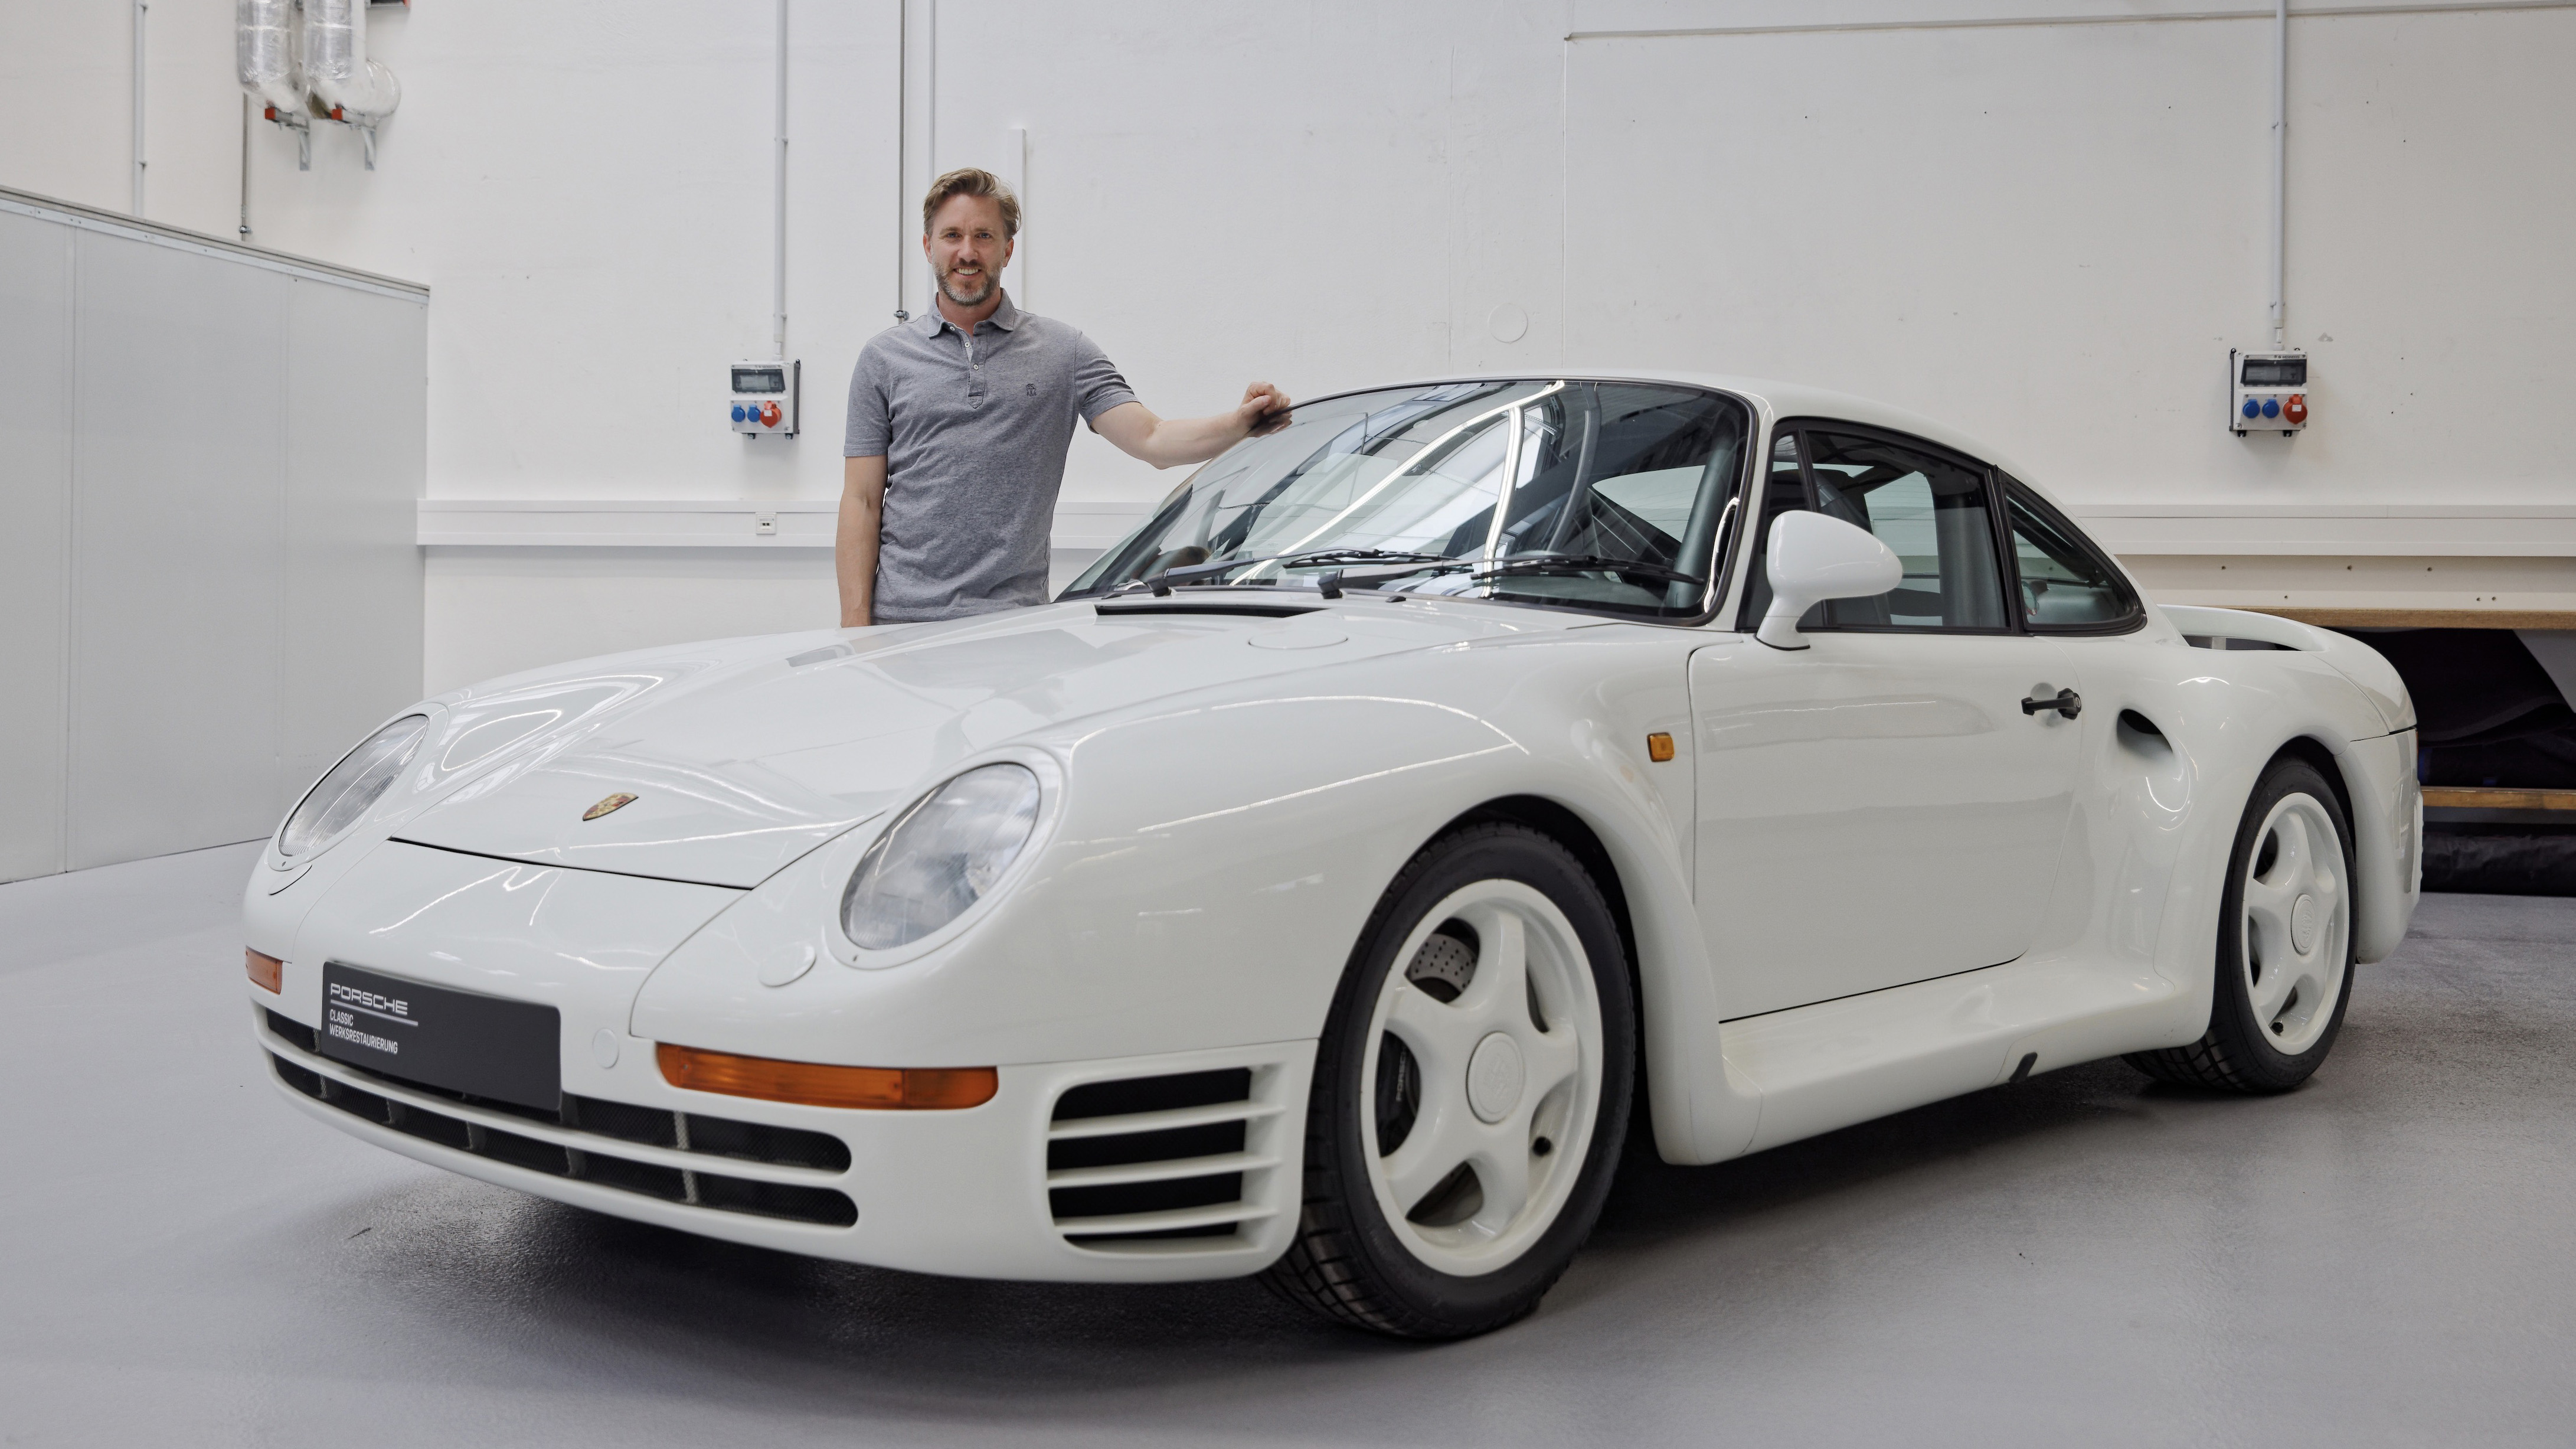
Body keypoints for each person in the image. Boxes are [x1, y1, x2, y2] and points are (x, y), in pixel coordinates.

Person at [838, 168, 1289, 626]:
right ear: (928, 245)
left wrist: (1238, 424)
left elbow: (1153, 439)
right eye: (952, 235)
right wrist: (857, 627)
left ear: (1008, 249)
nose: (967, 252)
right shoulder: (884, 358)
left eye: (984, 236)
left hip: (1013, 626)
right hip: (900, 627)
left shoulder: (1063, 353)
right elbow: (862, 500)